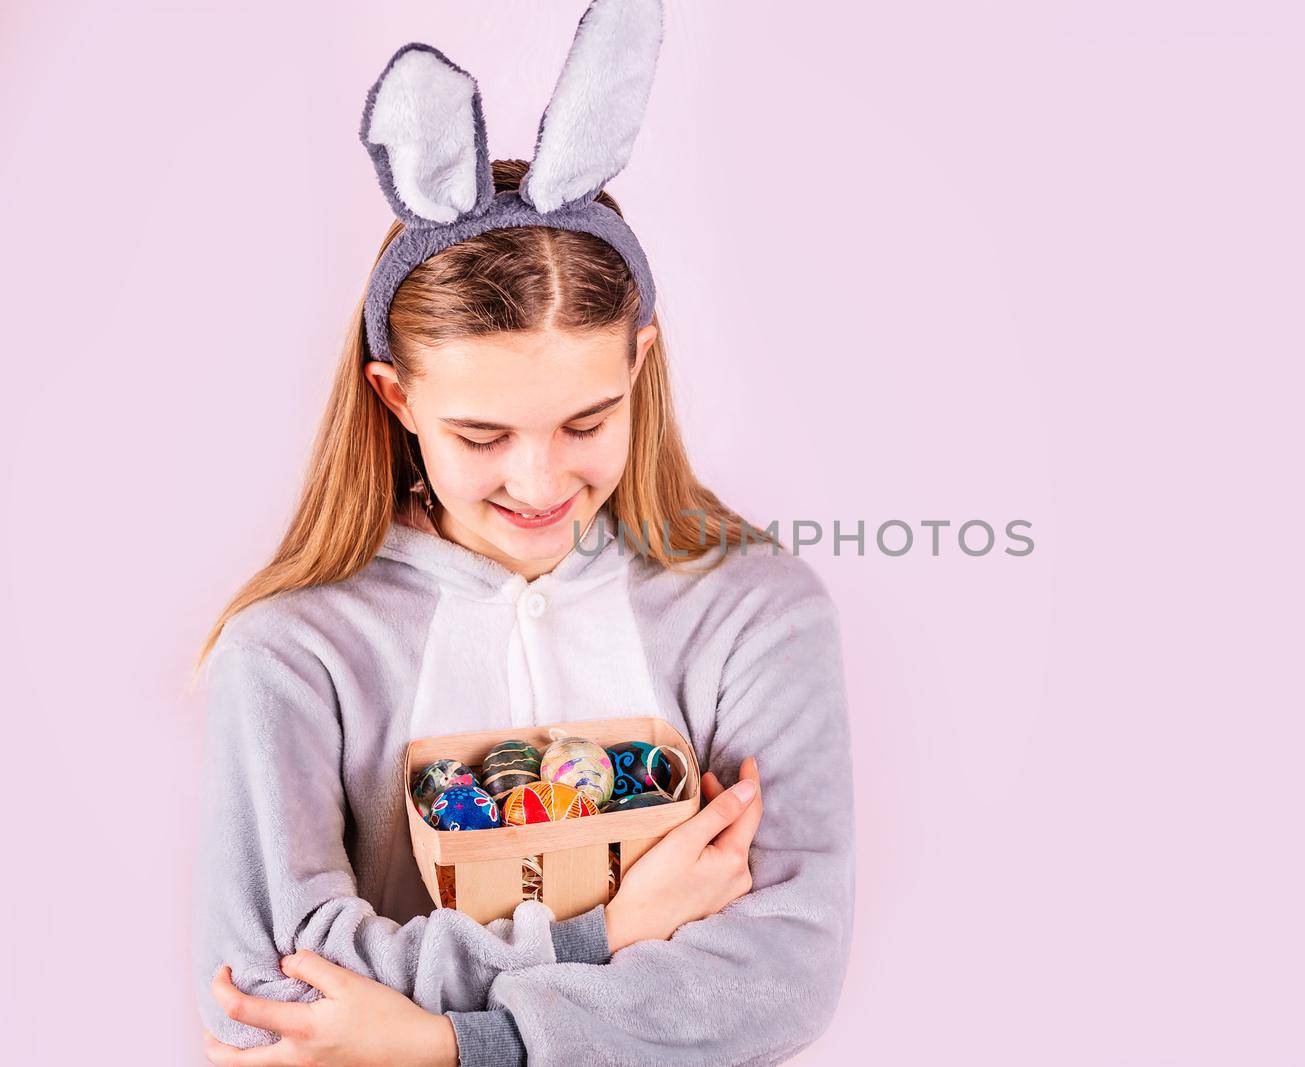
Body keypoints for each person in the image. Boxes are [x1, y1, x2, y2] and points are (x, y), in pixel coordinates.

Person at [189, 16, 854, 1065]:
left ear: (640, 365)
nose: (540, 480)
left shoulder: (753, 611)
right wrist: (614, 929)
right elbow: (266, 988)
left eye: (585, 422)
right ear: (396, 396)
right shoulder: (289, 651)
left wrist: (452, 1043)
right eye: (481, 434)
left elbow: (781, 974)